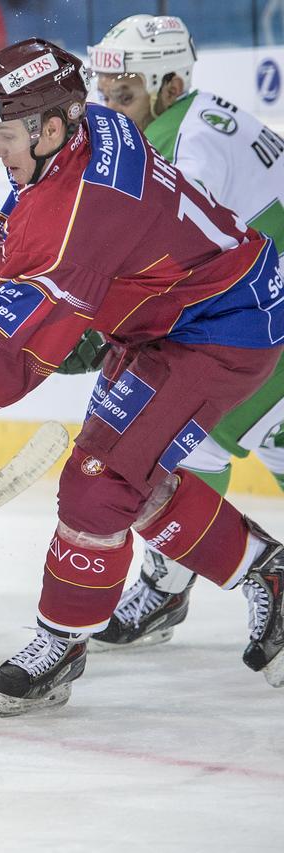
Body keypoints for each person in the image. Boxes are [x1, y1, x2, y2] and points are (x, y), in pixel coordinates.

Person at [0, 38, 284, 717]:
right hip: (175, 318)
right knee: (119, 477)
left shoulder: (80, 211)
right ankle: (267, 569)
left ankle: (60, 643)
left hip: (223, 325)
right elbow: (13, 286)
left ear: (50, 128)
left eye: (2, 132)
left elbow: (17, 344)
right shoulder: (93, 131)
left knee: (100, 483)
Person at [76, 14, 284, 652]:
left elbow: (175, 261)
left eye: (126, 95)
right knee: (179, 451)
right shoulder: (187, 122)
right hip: (249, 319)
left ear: (169, 86)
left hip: (260, 328)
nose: (110, 110)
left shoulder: (186, 144)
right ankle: (168, 586)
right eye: (104, 94)